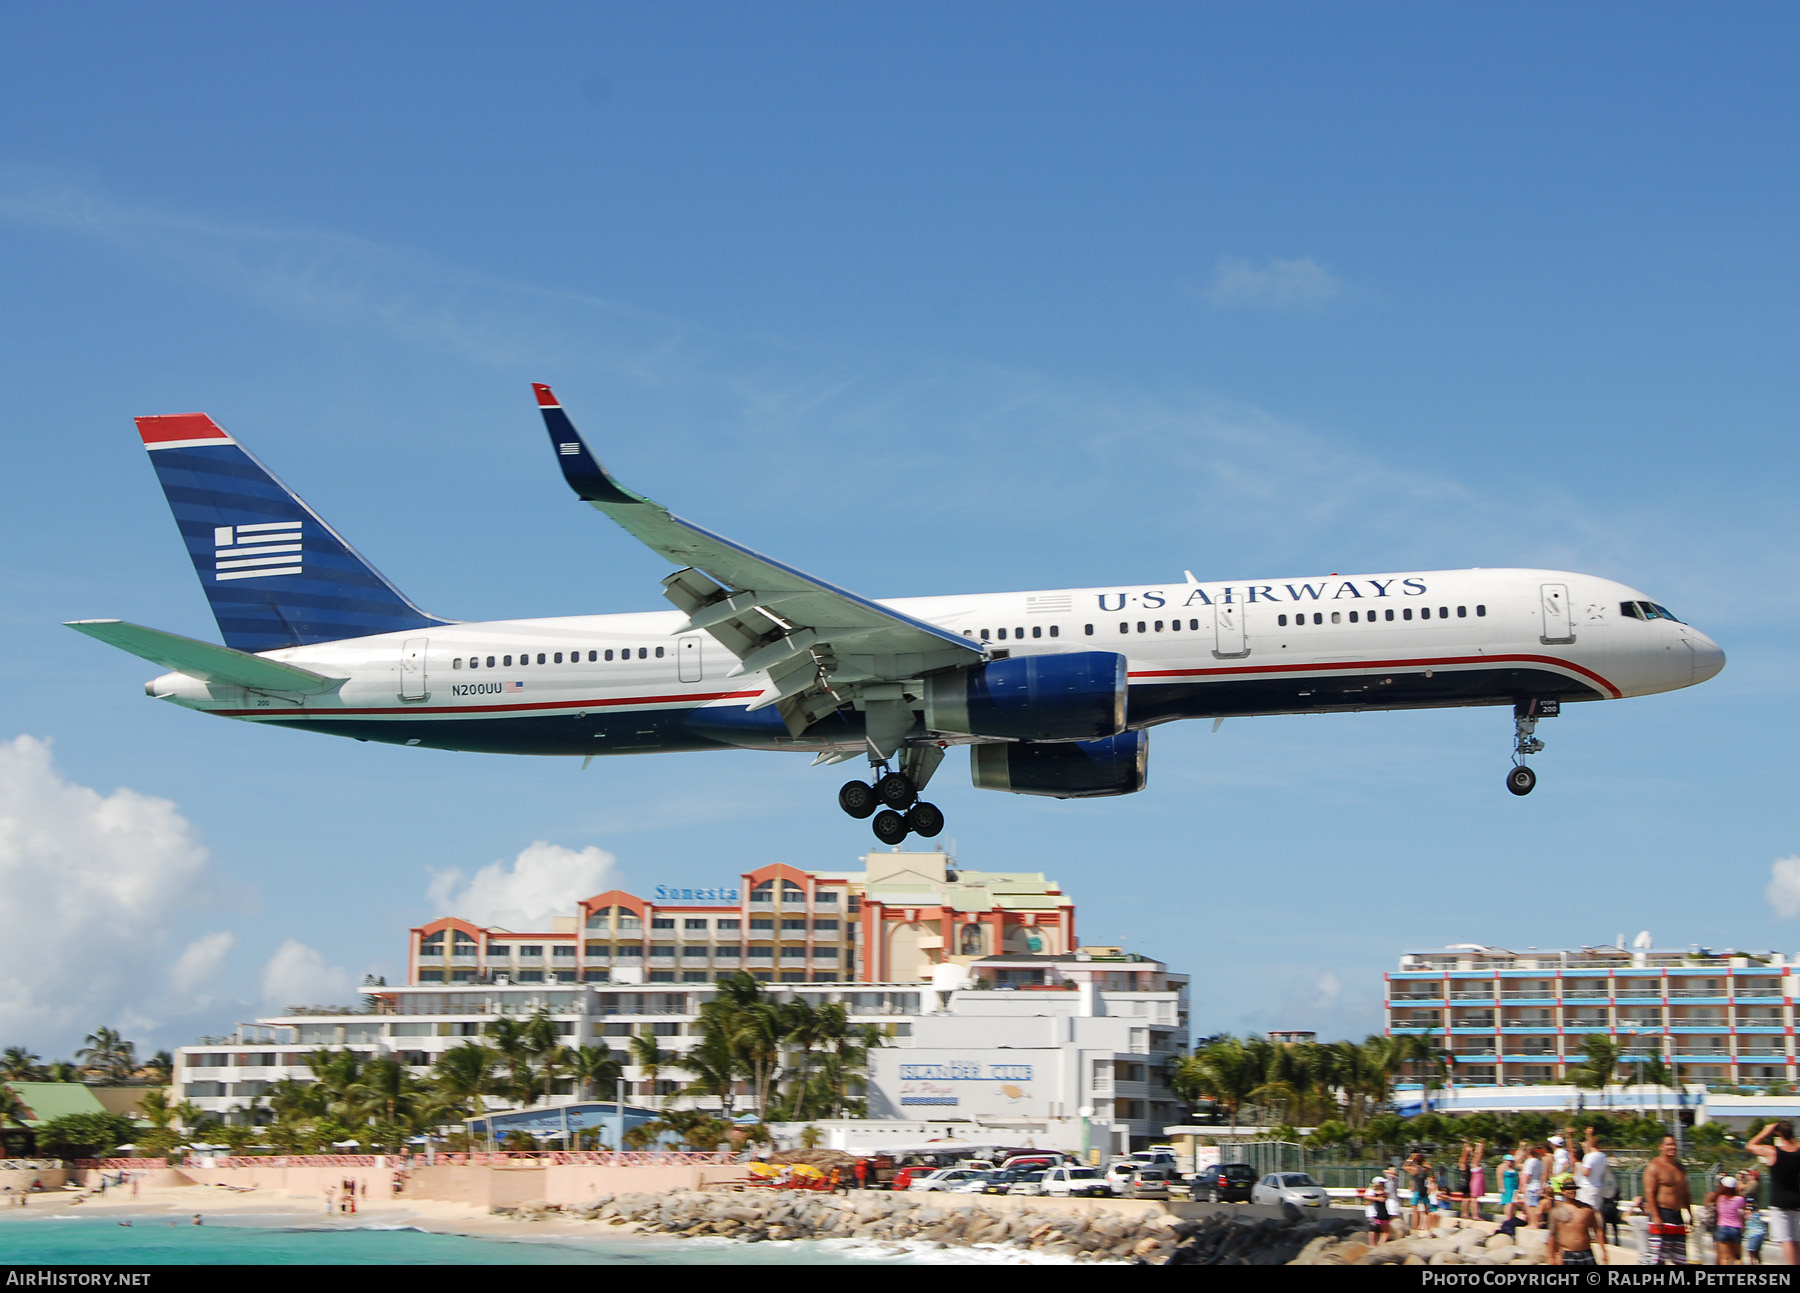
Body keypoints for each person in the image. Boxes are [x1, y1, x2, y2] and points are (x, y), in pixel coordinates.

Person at [1747, 1119, 1800, 1267]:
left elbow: (1750, 1145)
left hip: (1779, 1202)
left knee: (1787, 1240)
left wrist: (1765, 1132)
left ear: (1779, 1133)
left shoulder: (1772, 1151)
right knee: (1796, 1240)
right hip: (1796, 1200)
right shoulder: (1798, 1152)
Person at [1643, 1133, 1692, 1265]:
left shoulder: (1681, 1168)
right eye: (1669, 1144)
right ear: (1661, 1147)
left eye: (1674, 1144)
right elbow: (1650, 1193)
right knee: (1657, 1258)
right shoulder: (1654, 1167)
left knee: (1680, 1258)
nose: (1672, 1147)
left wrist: (1689, 1213)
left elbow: (1685, 1193)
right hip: (1661, 1213)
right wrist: (1656, 1216)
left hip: (1677, 1216)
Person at [1547, 1177, 1606, 1266]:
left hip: (1586, 1252)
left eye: (1574, 1188)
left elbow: (1598, 1230)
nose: (1572, 1191)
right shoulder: (1556, 1211)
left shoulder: (1587, 1209)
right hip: (1567, 1253)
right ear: (1563, 1191)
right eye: (1569, 1188)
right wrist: (1551, 1257)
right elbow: (1552, 1236)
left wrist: (1603, 1251)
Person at [1708, 1175, 1746, 1265]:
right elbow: (1743, 1211)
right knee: (1737, 1257)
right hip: (1735, 1228)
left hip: (1722, 1227)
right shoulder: (1739, 1199)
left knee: (1724, 1258)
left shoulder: (1719, 1198)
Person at [1521, 1145, 1546, 1228]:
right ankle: (1536, 1222)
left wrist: (1523, 1185)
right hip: (1538, 1185)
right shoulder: (1539, 1161)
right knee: (1535, 1205)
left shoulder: (1529, 1162)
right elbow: (1542, 1174)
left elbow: (1527, 1175)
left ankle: (1532, 1223)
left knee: (1530, 1205)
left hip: (1531, 1186)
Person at [1366, 1178, 1393, 1244]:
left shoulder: (1382, 1192)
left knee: (1381, 1231)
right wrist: (1377, 1199)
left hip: (1380, 1213)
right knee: (1375, 1230)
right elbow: (1367, 1198)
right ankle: (1376, 1245)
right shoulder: (1372, 1191)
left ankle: (1377, 1244)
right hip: (1375, 1213)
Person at [1466, 1140, 1486, 1220]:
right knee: (1474, 1198)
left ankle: (1475, 1214)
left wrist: (1479, 1146)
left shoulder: (1474, 1163)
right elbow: (1479, 1154)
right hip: (1476, 1182)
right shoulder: (1474, 1163)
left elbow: (1478, 1154)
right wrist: (1481, 1146)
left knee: (1475, 1199)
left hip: (1478, 1182)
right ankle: (1475, 1215)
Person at [1498, 1154, 1520, 1222]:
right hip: (1507, 1187)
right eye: (1508, 1160)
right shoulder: (1502, 1167)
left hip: (1514, 1186)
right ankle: (1508, 1218)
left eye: (1511, 1161)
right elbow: (1499, 1177)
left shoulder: (1513, 1168)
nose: (1510, 1162)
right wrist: (1501, 1187)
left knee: (1513, 1202)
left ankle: (1511, 1216)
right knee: (1508, 1202)